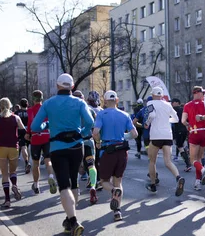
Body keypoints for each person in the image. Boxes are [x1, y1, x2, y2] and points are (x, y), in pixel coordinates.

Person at [31, 74, 94, 236]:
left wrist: (47, 125)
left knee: (64, 185)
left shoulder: (49, 103)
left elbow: (35, 127)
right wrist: (82, 132)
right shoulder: (79, 102)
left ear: (57, 86)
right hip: (76, 147)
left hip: (58, 148)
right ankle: (69, 219)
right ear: (72, 87)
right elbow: (90, 121)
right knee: (74, 182)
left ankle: (73, 221)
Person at [93, 90, 138, 221]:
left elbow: (95, 132)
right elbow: (134, 134)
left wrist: (98, 142)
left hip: (108, 150)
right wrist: (123, 137)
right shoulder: (125, 115)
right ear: (117, 100)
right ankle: (117, 212)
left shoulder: (101, 114)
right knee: (118, 181)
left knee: (104, 181)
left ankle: (113, 191)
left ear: (105, 101)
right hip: (122, 151)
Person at [144, 87, 185, 196]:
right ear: (162, 95)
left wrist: (147, 123)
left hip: (156, 135)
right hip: (167, 135)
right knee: (168, 161)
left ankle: (153, 185)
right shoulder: (168, 104)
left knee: (152, 161)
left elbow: (151, 115)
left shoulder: (150, 103)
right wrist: (167, 120)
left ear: (152, 95)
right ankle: (178, 177)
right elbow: (176, 119)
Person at [0, 98, 26, 207]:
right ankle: (14, 185)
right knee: (13, 171)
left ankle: (7, 200)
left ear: (0, 106)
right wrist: (20, 140)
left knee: (4, 174)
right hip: (14, 147)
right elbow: (23, 131)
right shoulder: (16, 117)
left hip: (1, 148)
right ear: (10, 106)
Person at [26, 90, 57, 194]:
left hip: (36, 137)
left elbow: (31, 123)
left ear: (33, 98)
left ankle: (36, 185)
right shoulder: (47, 108)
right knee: (48, 160)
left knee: (36, 163)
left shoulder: (30, 110)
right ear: (42, 98)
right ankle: (51, 177)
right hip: (47, 137)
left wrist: (28, 133)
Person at [71, 91, 99, 204]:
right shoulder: (90, 110)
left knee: (76, 167)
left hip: (75, 142)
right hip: (88, 141)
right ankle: (93, 187)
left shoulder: (70, 111)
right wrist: (98, 141)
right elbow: (95, 127)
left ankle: (76, 189)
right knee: (91, 165)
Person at [182, 86, 205, 191]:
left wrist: (188, 124)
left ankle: (203, 170)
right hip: (204, 132)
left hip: (194, 132)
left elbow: (183, 121)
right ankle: (197, 183)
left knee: (192, 159)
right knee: (200, 158)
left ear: (194, 93)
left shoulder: (187, 105)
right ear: (200, 93)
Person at [170, 98, 191, 171]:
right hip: (185, 130)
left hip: (178, 130)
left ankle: (188, 163)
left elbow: (170, 119)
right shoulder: (183, 109)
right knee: (183, 145)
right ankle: (187, 156)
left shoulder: (174, 110)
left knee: (179, 146)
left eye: (172, 102)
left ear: (176, 102)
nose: (172, 104)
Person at [15, 98, 31, 173]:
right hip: (29, 130)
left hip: (20, 130)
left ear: (20, 105)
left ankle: (27, 162)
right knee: (28, 147)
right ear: (27, 104)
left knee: (23, 146)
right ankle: (27, 162)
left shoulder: (16, 112)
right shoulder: (30, 111)